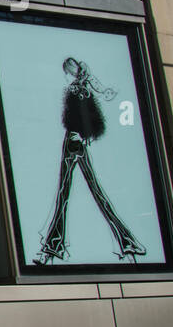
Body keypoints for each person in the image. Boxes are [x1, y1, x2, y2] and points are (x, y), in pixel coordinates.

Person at [33, 57, 145, 265]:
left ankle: (52, 246)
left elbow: (82, 116)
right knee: (82, 193)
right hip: (77, 142)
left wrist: (82, 135)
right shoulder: (79, 89)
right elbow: (88, 116)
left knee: (69, 194)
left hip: (75, 142)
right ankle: (126, 241)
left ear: (69, 72)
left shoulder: (77, 90)